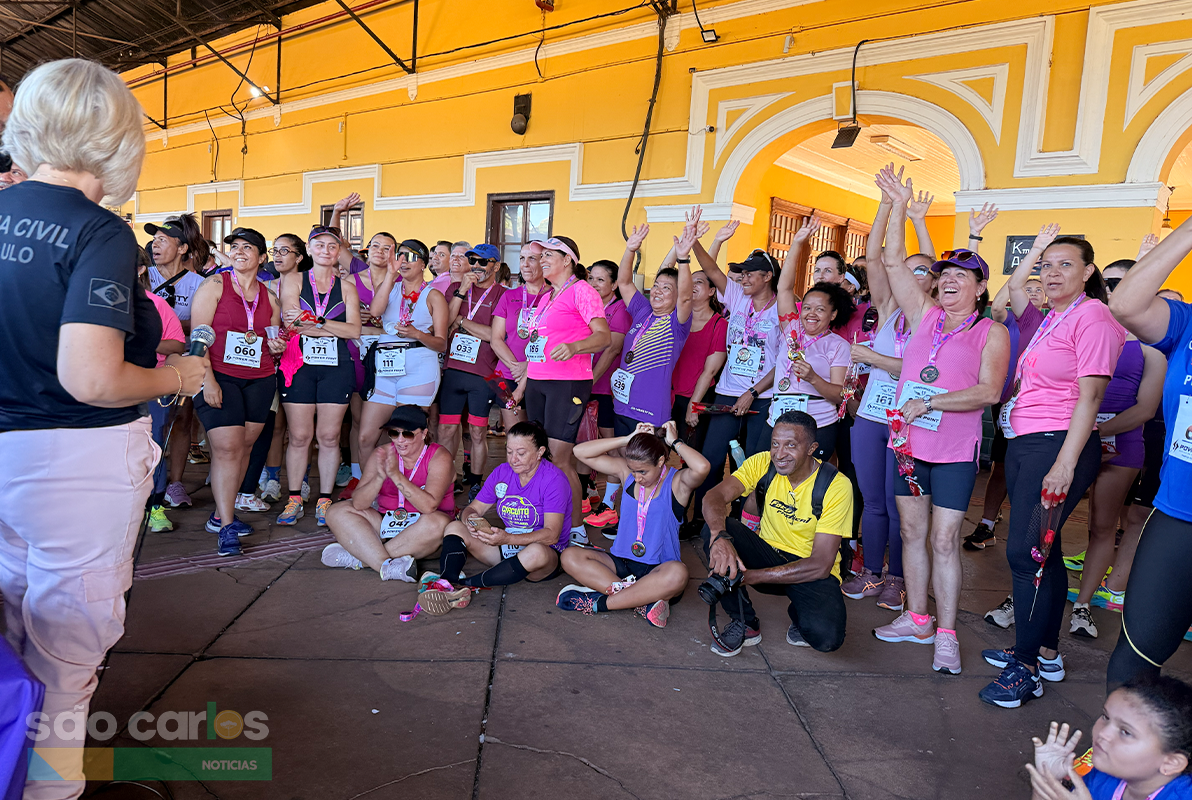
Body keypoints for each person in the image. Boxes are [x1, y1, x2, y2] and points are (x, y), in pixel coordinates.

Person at [0, 58, 208, 800]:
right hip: (73, 462)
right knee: (67, 657)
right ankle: (49, 790)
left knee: (16, 623)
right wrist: (177, 377)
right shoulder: (100, 232)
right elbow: (91, 377)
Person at [871, 166, 1009, 677]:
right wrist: (898, 205)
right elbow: (890, 260)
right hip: (907, 446)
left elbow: (989, 391)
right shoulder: (925, 315)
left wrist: (930, 403)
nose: (948, 281)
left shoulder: (991, 332)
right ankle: (918, 617)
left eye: (960, 277)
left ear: (979, 288)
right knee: (911, 533)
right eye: (943, 275)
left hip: (951, 450)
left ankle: (947, 634)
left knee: (945, 539)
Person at [979, 231, 1124, 708]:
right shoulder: (1052, 318)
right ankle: (1042, 650)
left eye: (1065, 264)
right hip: (1028, 442)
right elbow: (1016, 290)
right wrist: (1032, 252)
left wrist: (1064, 464)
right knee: (1047, 550)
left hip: (1057, 446)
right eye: (1046, 265)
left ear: (1088, 273)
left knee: (1025, 554)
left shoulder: (1094, 317)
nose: (1052, 273)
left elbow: (1092, 396)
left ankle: (1026, 669)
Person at [842, 184, 942, 611]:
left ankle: (899, 580)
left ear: (935, 281)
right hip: (870, 416)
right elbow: (875, 256)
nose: (909, 272)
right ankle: (870, 572)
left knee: (904, 506)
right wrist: (885, 205)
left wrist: (876, 358)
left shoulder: (936, 320)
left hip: (910, 421)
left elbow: (928, 376)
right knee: (874, 501)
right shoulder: (886, 307)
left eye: (921, 270)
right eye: (907, 267)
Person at [1104, 214, 1192, 689]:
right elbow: (1126, 303)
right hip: (1180, 515)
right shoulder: (1187, 324)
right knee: (1133, 660)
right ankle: (1115, 763)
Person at [699, 410, 854, 656]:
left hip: (809, 567)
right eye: (775, 444)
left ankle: (800, 612)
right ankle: (745, 622)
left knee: (826, 639)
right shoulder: (762, 463)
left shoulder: (836, 485)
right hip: (768, 552)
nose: (779, 454)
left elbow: (821, 565)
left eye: (791, 446)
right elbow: (713, 497)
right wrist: (719, 537)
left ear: (812, 448)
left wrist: (749, 577)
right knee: (714, 529)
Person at [1068, 265, 1164, 639]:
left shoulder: (1152, 344)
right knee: (1045, 523)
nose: (1111, 289)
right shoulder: (1085, 326)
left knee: (1102, 526)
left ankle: (1083, 606)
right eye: (1105, 282)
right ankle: (1026, 594)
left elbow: (1145, 408)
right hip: (1074, 434)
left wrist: (1096, 433)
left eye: (1120, 282)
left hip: (1118, 440)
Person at [558, 421, 710, 626]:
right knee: (569, 556)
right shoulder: (626, 473)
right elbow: (580, 452)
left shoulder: (677, 482)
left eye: (643, 472)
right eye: (633, 470)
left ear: (660, 461)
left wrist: (675, 441)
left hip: (658, 569)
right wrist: (626, 439)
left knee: (678, 574)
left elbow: (702, 467)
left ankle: (601, 603)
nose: (637, 478)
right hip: (621, 563)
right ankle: (642, 601)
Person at [190, 228, 285, 555]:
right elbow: (199, 336)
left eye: (249, 247)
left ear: (262, 258)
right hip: (219, 376)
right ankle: (228, 526)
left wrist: (276, 347)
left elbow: (273, 342)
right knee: (228, 448)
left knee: (242, 447)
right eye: (235, 247)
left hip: (259, 378)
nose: (240, 251)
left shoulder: (270, 297)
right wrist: (208, 380)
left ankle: (221, 512)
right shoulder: (214, 285)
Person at [690, 218, 784, 536]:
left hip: (763, 397)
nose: (742, 278)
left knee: (755, 464)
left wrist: (754, 392)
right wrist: (694, 241)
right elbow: (711, 268)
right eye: (740, 273)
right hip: (728, 392)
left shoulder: (783, 310)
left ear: (768, 276)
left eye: (749, 273)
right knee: (712, 458)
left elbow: (785, 361)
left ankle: (747, 524)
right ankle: (704, 520)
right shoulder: (737, 297)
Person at [523, 235, 611, 545]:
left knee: (560, 459)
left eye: (549, 254)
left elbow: (603, 337)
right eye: (540, 254)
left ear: (568, 260)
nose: (542, 259)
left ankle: (576, 529)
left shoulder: (582, 291)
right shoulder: (547, 296)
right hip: (538, 380)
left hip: (567, 383)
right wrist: (523, 382)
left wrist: (574, 347)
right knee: (541, 456)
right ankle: (547, 520)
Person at [427, 421, 571, 610]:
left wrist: (507, 538)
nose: (513, 459)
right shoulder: (502, 472)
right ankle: (446, 582)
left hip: (543, 558)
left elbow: (552, 534)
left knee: (536, 552)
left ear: (540, 452)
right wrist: (471, 521)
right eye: (509, 451)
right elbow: (473, 508)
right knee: (455, 527)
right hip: (505, 547)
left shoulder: (554, 480)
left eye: (521, 453)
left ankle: (466, 585)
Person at [967, 221, 1047, 554]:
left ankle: (1029, 534)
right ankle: (987, 523)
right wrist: (1021, 273)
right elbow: (998, 305)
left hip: (1039, 408)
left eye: (1037, 290)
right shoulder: (1008, 318)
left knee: (1029, 472)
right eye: (1026, 289)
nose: (1031, 293)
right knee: (1001, 464)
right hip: (1006, 403)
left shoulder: (1047, 321)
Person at [277, 225, 362, 527]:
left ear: (339, 252)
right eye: (320, 245)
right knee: (299, 436)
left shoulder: (347, 286)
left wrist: (317, 321)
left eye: (332, 246)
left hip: (336, 365)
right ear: (309, 250)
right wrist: (328, 325)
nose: (326, 251)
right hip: (298, 364)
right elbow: (292, 322)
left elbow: (354, 331)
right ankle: (295, 497)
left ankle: (325, 498)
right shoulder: (293, 279)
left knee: (329, 436)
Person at [322, 405, 454, 581]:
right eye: (394, 433)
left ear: (423, 433)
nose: (400, 440)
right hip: (386, 525)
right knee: (336, 511)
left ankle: (362, 558)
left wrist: (396, 476)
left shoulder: (439, 456)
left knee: (438, 523)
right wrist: (378, 478)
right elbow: (359, 504)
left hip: (424, 532)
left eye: (407, 434)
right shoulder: (382, 453)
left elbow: (429, 506)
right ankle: (386, 566)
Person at [1025, 676, 1192, 800]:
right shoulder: (1103, 775)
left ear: (1170, 763)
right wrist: (1048, 781)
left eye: (1126, 732)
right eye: (1105, 716)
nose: (1103, 733)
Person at [359, 239, 448, 461]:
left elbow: (441, 343)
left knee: (407, 437)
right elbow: (375, 311)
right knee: (366, 437)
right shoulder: (390, 287)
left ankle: (409, 487)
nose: (404, 262)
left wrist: (417, 334)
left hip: (418, 369)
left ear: (423, 264)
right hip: (386, 369)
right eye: (399, 256)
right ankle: (371, 488)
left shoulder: (433, 295)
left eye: (410, 257)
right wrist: (390, 274)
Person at [774, 220, 855, 461]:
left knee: (813, 484)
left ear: (833, 314)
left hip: (818, 422)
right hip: (779, 416)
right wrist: (798, 243)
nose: (811, 313)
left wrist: (813, 378)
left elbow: (840, 394)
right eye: (807, 307)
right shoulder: (792, 329)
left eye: (819, 309)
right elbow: (784, 289)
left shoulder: (839, 345)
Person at [147, 213, 210, 508]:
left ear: (182, 248)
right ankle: (148, 482)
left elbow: (202, 324)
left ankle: (175, 484)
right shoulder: (142, 274)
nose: (155, 245)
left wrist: (171, 324)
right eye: (153, 240)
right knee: (150, 423)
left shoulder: (198, 283)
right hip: (148, 362)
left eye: (163, 240)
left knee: (182, 420)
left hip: (182, 359)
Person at [440, 242, 507, 497]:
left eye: (483, 262)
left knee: (478, 430)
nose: (476, 266)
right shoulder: (456, 288)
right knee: (446, 429)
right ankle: (445, 477)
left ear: (496, 266)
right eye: (473, 261)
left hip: (483, 372)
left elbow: (495, 335)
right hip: (453, 369)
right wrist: (461, 293)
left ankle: (477, 480)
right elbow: (444, 324)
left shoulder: (503, 294)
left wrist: (463, 322)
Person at [251, 234, 311, 505]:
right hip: (269, 358)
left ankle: (304, 480)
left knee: (302, 429)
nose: (278, 255)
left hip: (302, 359)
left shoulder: (311, 286)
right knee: (274, 425)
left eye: (285, 251)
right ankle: (272, 478)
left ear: (299, 257)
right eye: (275, 250)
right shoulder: (265, 287)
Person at [339, 230, 399, 498]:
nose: (379, 251)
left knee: (382, 420)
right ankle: (357, 474)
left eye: (386, 248)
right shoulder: (351, 280)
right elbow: (342, 318)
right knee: (358, 418)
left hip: (387, 353)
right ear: (367, 249)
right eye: (375, 245)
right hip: (356, 349)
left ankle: (382, 474)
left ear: (394, 254)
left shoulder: (399, 282)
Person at [579, 257, 632, 525]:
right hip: (583, 383)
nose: (594, 284)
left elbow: (612, 349)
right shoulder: (587, 305)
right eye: (591, 278)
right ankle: (588, 496)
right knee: (585, 443)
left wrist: (590, 380)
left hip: (605, 389)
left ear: (614, 284)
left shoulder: (620, 310)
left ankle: (611, 505)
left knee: (612, 448)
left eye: (601, 279)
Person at [490, 241, 547, 433]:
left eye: (532, 258)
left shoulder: (554, 297)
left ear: (544, 262)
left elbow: (554, 341)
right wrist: (516, 366)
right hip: (504, 374)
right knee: (514, 436)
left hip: (540, 374)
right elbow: (495, 338)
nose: (525, 264)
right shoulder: (509, 296)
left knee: (539, 435)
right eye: (522, 258)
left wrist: (527, 367)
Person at [671, 267, 728, 451]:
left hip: (698, 396)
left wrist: (693, 406)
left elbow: (710, 371)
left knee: (691, 452)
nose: (693, 285)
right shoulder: (675, 317)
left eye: (699, 282)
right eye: (690, 281)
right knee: (659, 448)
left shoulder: (719, 325)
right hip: (669, 394)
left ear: (711, 291)